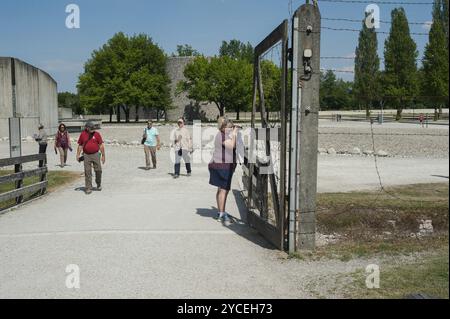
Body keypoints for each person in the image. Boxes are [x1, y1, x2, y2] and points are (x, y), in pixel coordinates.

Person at [208, 117, 239, 226]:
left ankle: (220, 211)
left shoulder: (222, 134)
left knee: (221, 189)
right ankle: (221, 213)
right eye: (230, 127)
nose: (231, 129)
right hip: (223, 166)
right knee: (224, 190)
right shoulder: (222, 135)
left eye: (232, 127)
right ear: (224, 127)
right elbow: (232, 146)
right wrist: (235, 134)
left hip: (220, 165)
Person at [76, 121, 106, 195]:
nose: (93, 129)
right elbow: (80, 145)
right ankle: (88, 187)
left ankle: (98, 183)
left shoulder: (97, 134)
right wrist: (78, 154)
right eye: (91, 128)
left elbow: (101, 145)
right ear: (87, 128)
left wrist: (103, 155)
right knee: (87, 171)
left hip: (96, 154)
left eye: (93, 128)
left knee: (98, 170)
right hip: (86, 155)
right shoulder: (83, 134)